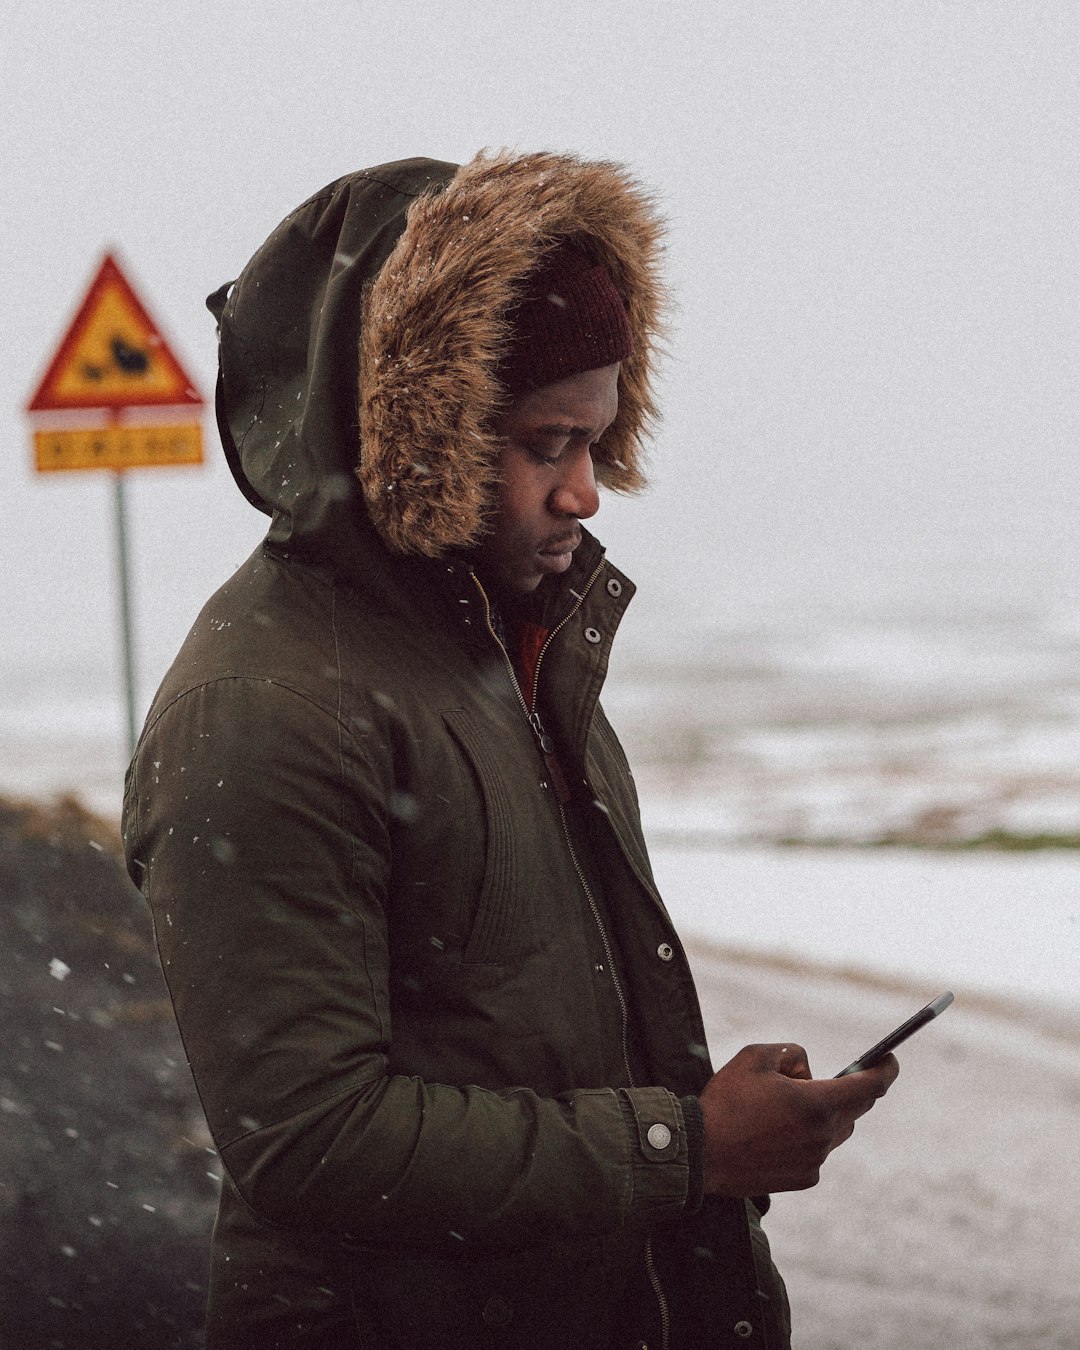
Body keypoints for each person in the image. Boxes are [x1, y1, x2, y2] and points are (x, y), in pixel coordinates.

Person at [123, 150, 897, 1350]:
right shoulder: (265, 706)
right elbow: (312, 1139)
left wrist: (709, 1113)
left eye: (599, 439)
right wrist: (683, 1147)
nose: (588, 494)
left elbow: (521, 1017)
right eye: (548, 444)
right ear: (417, 433)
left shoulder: (503, 647)